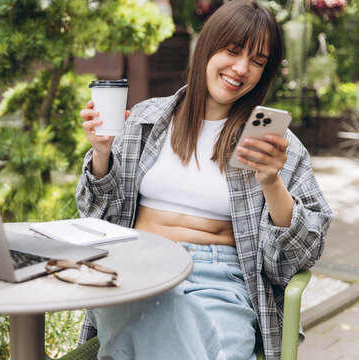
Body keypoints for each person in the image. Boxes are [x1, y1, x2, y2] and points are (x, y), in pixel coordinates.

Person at [76, 1, 333, 359]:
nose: (242, 68)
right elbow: (95, 218)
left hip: (221, 282)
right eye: (232, 50)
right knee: (161, 313)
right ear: (207, 47)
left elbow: (300, 254)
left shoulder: (277, 147)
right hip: (139, 267)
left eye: (258, 61)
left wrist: (271, 181)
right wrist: (102, 154)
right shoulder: (145, 121)